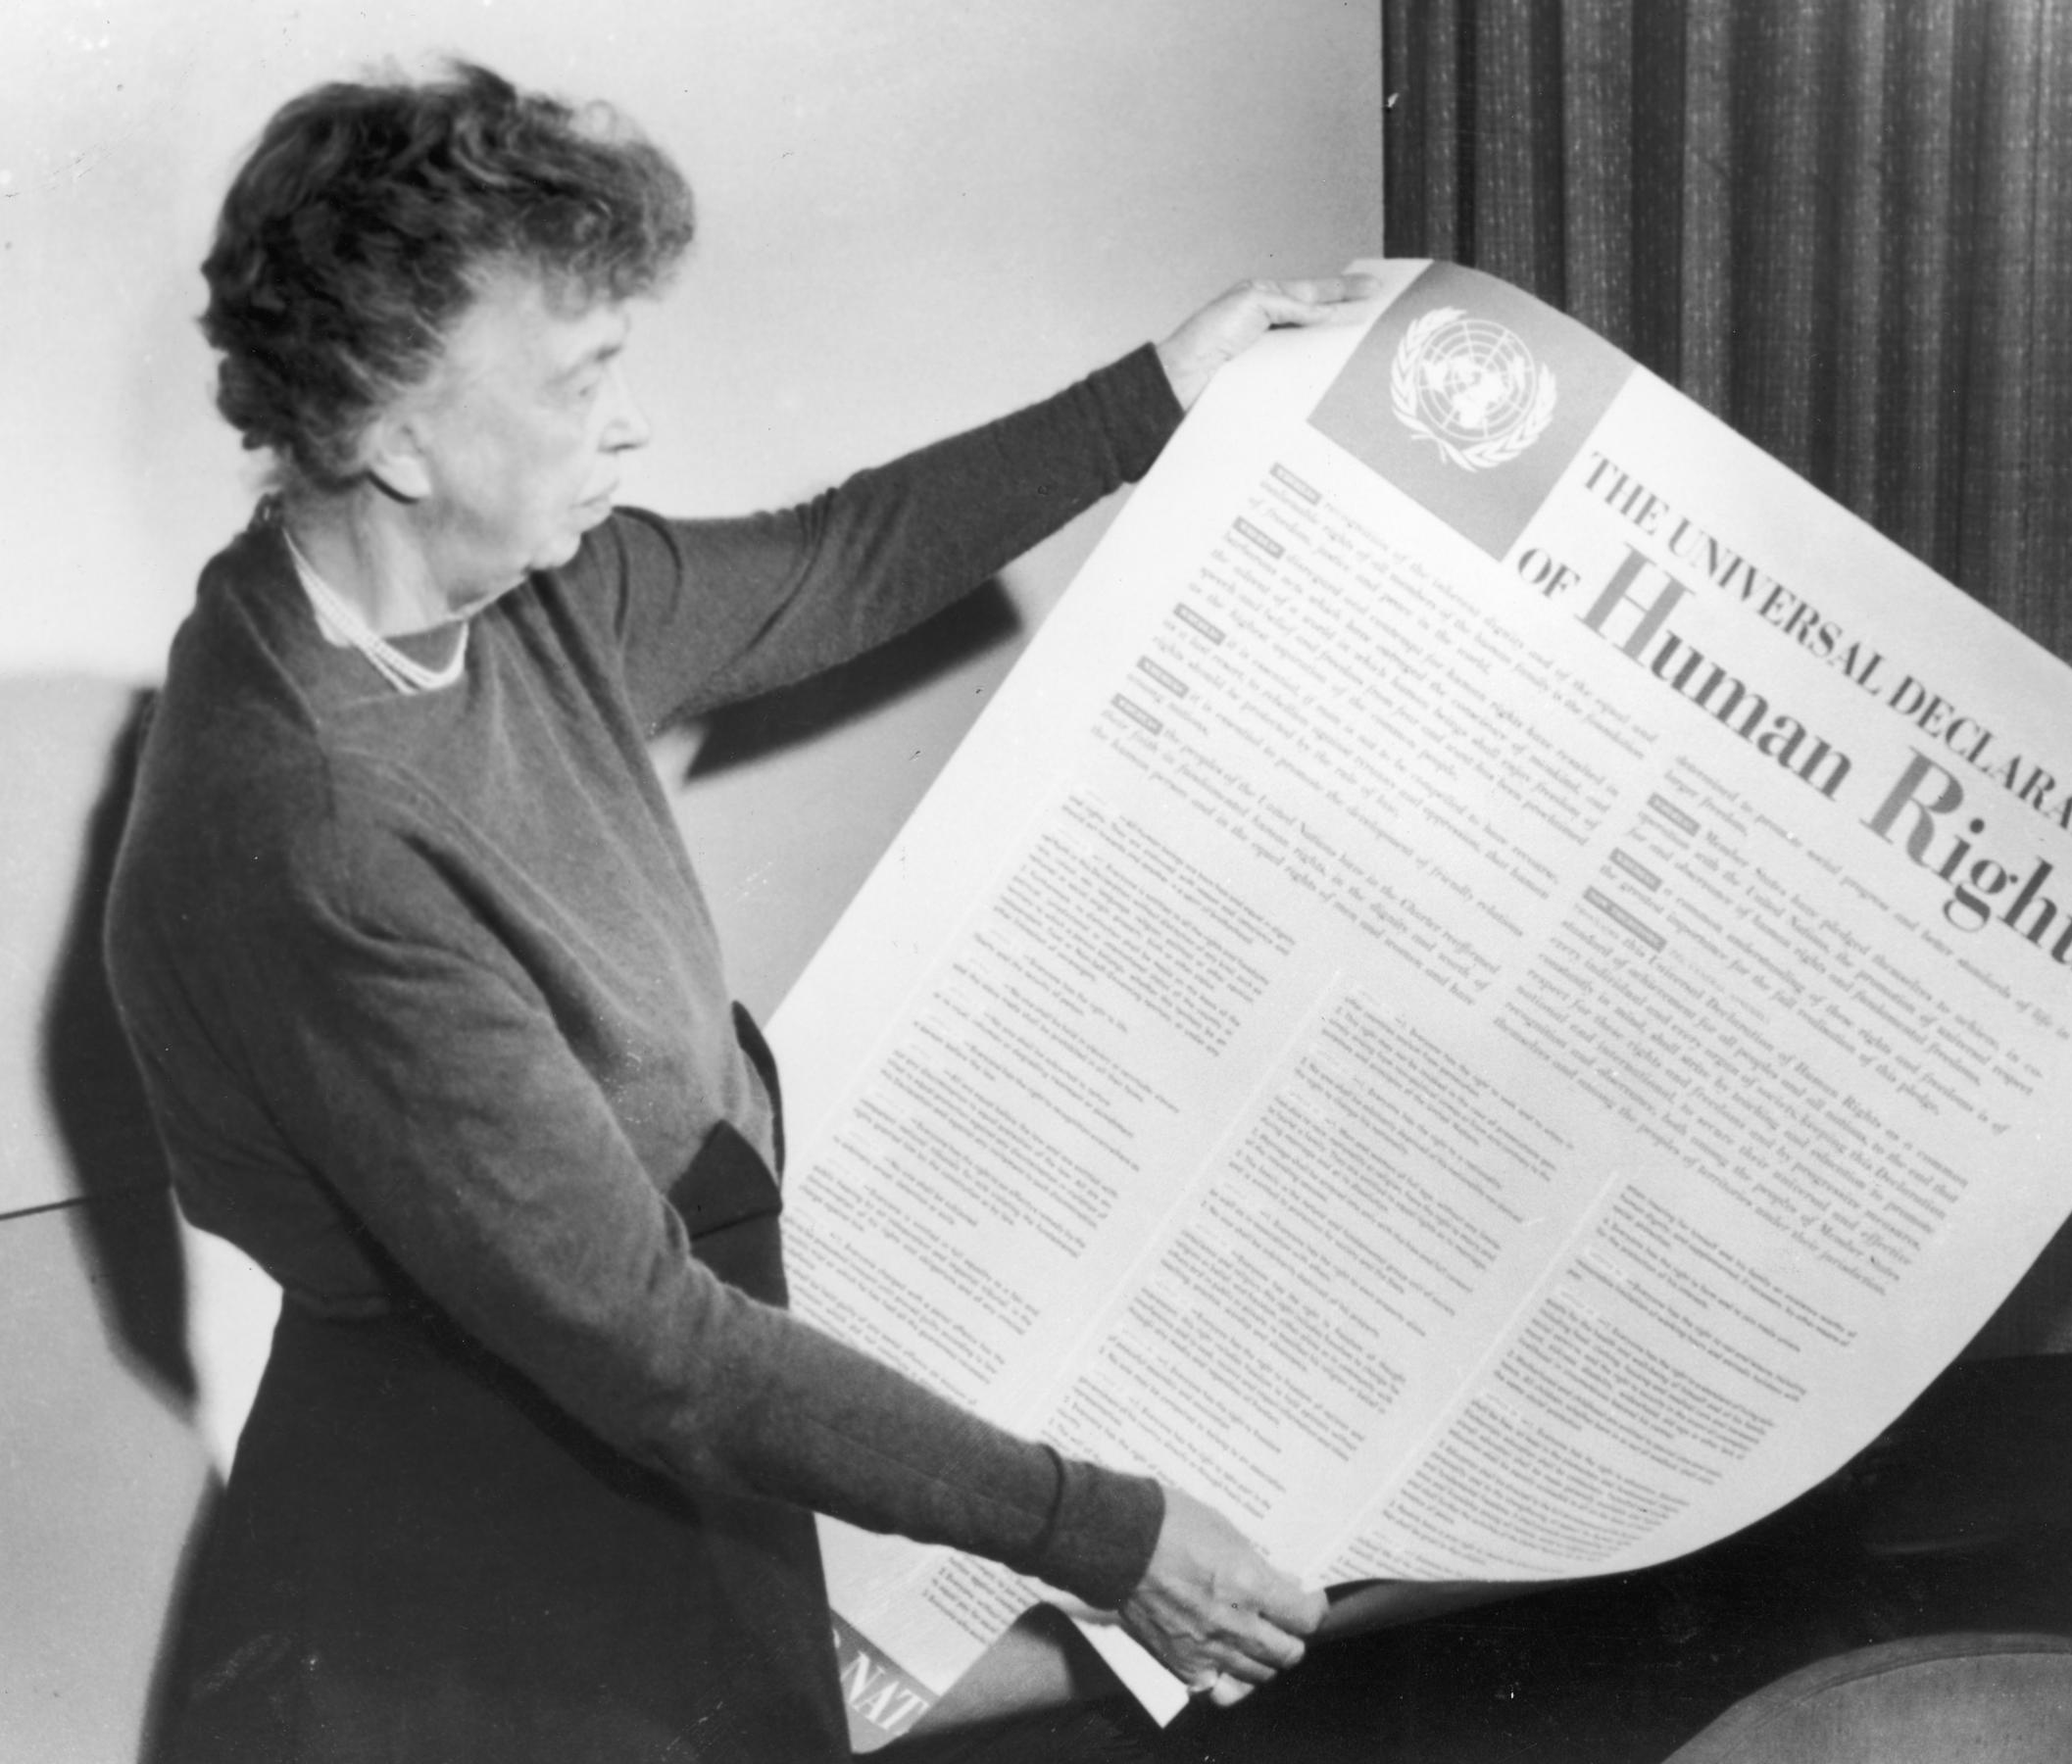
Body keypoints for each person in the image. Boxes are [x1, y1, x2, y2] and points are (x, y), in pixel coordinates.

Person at [104, 61, 1358, 1763]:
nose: (630, 424)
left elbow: (837, 560)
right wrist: (1108, 1537)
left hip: (657, 1410)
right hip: (479, 1532)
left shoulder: (527, 593)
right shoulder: (312, 826)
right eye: (582, 379)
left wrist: (1157, 394)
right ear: (395, 434)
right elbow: (654, 1346)